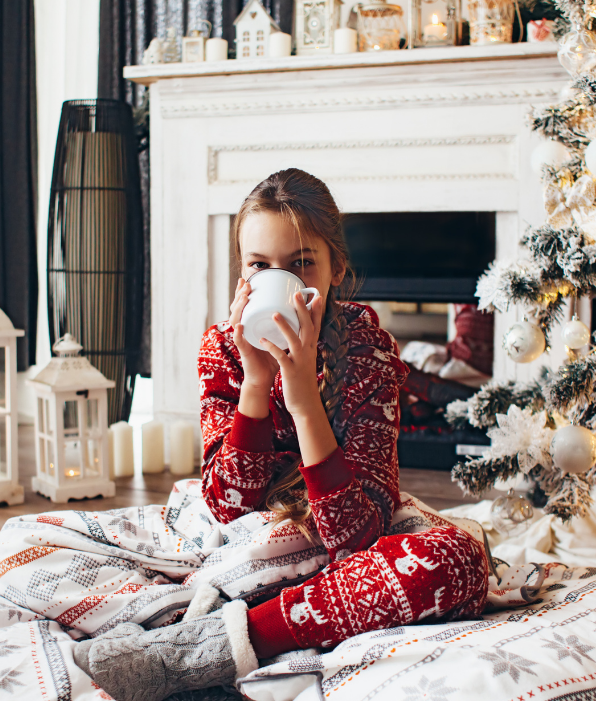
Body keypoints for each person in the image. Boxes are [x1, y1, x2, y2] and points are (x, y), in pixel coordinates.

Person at [71, 169, 490, 701]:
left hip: (340, 544)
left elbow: (356, 537)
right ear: (241, 277)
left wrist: (304, 399)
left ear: (335, 267)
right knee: (36, 545)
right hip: (246, 541)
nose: (279, 280)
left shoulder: (366, 348)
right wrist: (256, 383)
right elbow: (226, 506)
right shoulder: (223, 349)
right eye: (259, 266)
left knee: (461, 558)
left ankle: (210, 647)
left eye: (300, 265)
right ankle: (256, 624)